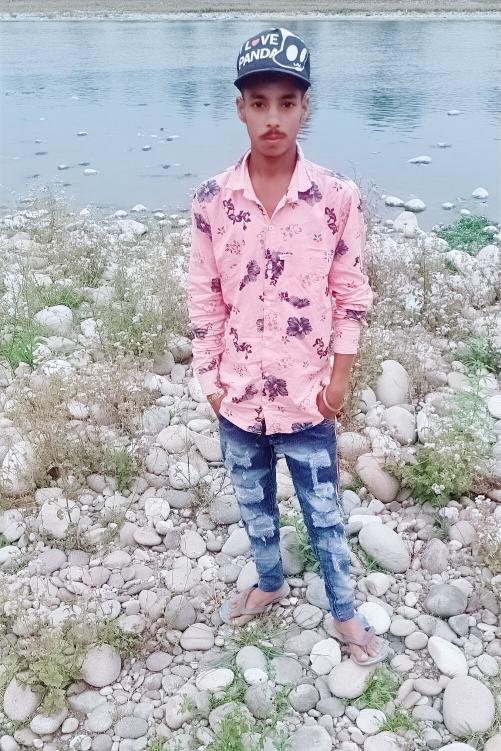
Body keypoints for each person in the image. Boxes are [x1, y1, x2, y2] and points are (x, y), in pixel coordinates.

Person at [187, 27, 389, 665]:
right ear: (240, 108)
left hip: (307, 396)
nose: (272, 118)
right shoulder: (212, 200)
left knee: (323, 510)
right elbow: (205, 296)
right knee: (254, 504)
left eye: (286, 102)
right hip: (238, 394)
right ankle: (271, 581)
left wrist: (339, 380)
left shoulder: (336, 198)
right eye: (259, 103)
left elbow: (350, 292)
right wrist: (211, 381)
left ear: (305, 108)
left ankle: (344, 611)